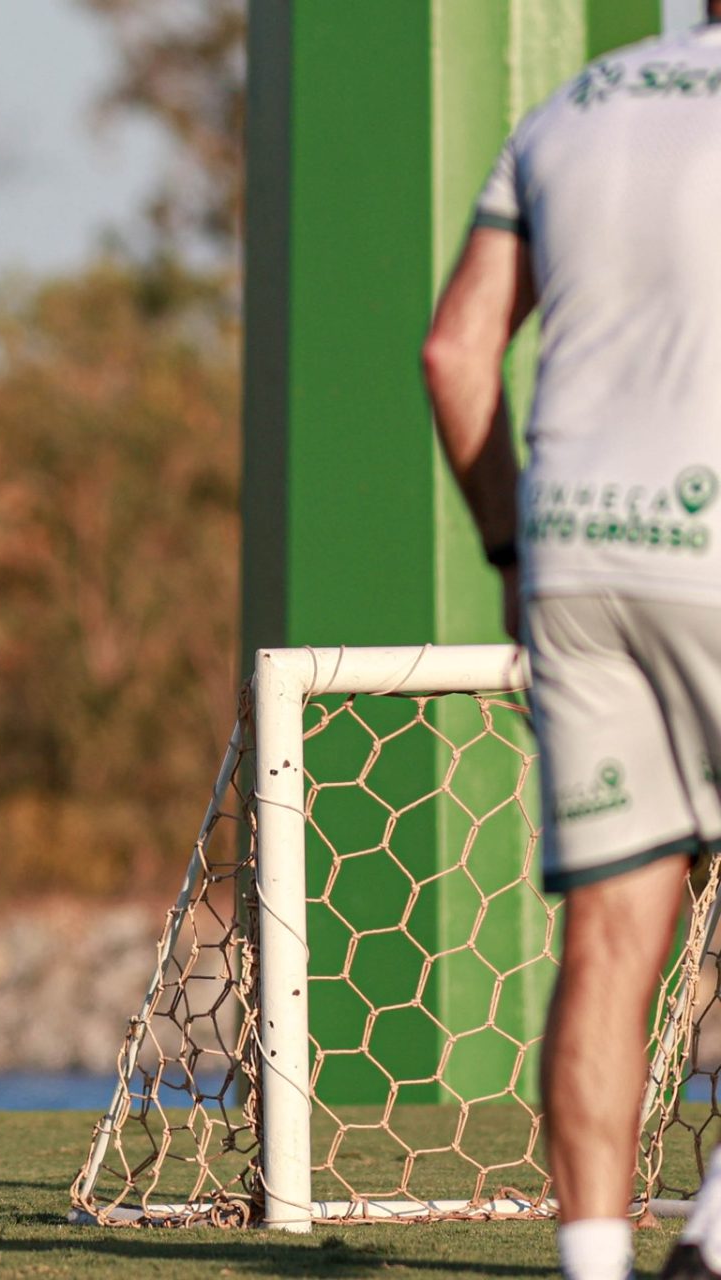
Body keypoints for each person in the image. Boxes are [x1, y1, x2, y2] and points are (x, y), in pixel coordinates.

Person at [424, 5, 721, 1278]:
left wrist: (506, 548)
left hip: (575, 547)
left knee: (612, 935)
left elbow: (454, 350)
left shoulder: (571, 111)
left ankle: (596, 1264)